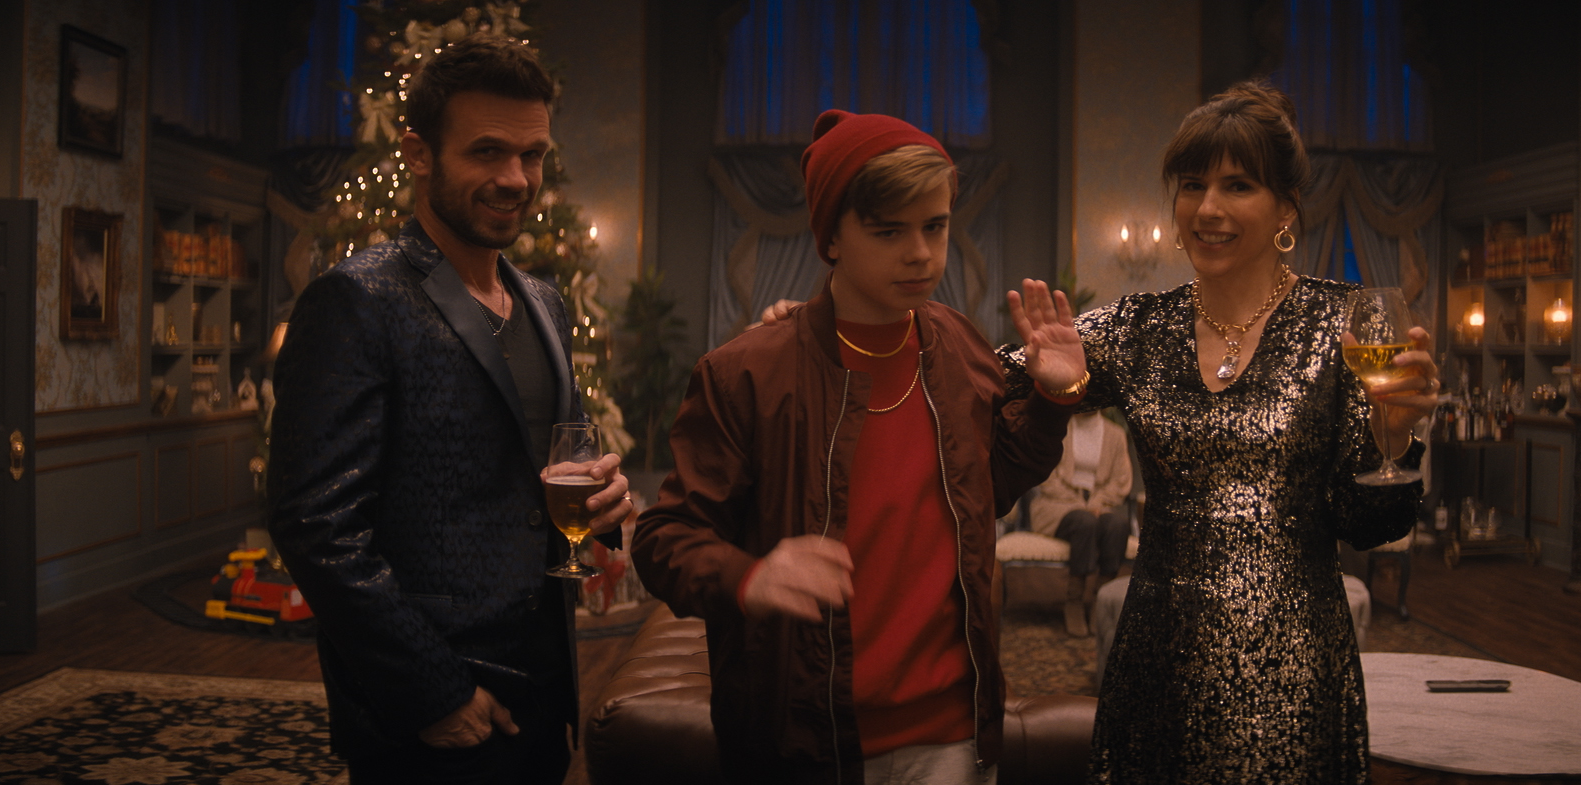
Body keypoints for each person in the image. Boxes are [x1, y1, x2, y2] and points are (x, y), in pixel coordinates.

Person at [630, 110, 1087, 785]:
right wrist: (749, 577)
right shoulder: (747, 373)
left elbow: (990, 486)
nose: (921, 253)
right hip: (804, 740)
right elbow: (662, 538)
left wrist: (1054, 399)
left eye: (935, 226)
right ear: (831, 239)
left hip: (953, 733)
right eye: (889, 231)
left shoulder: (960, 346)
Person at [1001, 81, 1439, 783]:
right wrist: (1062, 389)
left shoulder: (1342, 324)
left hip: (1293, 673)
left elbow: (1367, 525)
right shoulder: (1138, 328)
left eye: (1238, 185)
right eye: (1192, 185)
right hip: (1159, 668)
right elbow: (984, 381)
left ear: (1286, 207)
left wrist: (1392, 437)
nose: (1208, 208)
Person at [267, 36, 634, 785]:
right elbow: (315, 525)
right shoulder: (356, 300)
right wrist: (432, 694)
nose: (515, 178)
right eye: (488, 152)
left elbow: (544, 464)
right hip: (434, 715)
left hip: (545, 693)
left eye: (532, 155)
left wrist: (603, 502)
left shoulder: (545, 302)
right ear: (418, 153)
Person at [1024, 409, 1134, 638]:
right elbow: (1046, 477)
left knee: (1118, 525)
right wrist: (1080, 504)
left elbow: (1121, 480)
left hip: (1100, 503)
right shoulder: (1058, 429)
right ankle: (1073, 601)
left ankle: (1099, 600)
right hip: (1057, 504)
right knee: (1085, 522)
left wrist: (1097, 502)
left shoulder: (1115, 434)